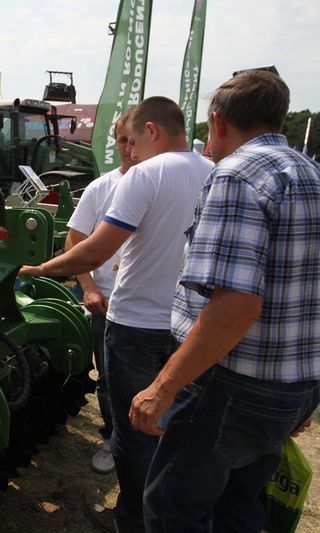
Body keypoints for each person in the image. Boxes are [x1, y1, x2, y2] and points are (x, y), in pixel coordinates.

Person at [130, 71, 320, 533]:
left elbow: (235, 305)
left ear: (217, 122)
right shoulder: (310, 173)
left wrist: (164, 386)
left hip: (232, 386)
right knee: (240, 504)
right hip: (290, 385)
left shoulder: (238, 176)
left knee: (175, 508)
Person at [20, 96, 213, 533]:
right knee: (176, 423)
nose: (129, 153)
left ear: (151, 131)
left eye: (132, 141)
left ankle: (133, 519)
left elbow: (97, 247)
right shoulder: (213, 171)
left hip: (136, 324)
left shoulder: (147, 174)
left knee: (134, 429)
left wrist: (41, 270)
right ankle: (167, 514)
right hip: (188, 325)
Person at [65, 109, 137, 475]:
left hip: (150, 306)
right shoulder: (102, 187)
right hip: (107, 302)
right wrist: (90, 288)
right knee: (109, 378)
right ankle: (113, 438)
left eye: (133, 141)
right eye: (122, 141)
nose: (127, 149)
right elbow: (75, 239)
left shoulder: (162, 182)